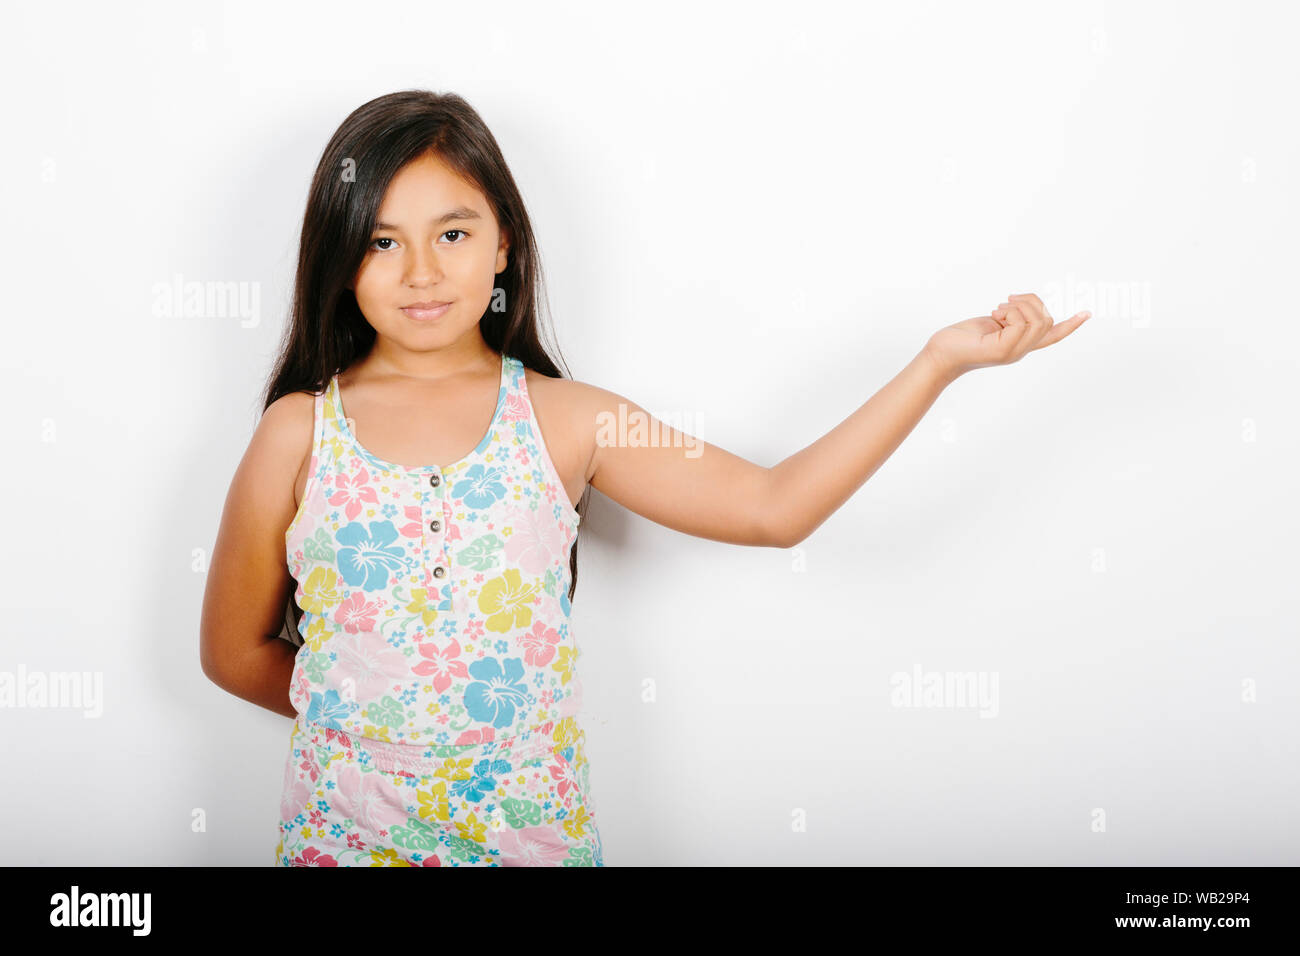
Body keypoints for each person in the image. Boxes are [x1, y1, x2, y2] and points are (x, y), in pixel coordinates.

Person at [198, 89, 1090, 868]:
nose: (422, 270)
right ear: (342, 251)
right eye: (384, 240)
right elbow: (235, 654)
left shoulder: (569, 419)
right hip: (342, 841)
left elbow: (773, 508)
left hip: (531, 842)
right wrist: (382, 729)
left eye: (453, 232)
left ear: (503, 243)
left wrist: (937, 363)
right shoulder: (301, 432)